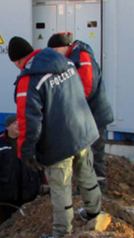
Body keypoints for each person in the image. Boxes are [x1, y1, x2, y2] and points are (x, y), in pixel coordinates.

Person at [7, 36, 102, 238]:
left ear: (16, 61)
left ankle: (61, 235)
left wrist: (27, 150)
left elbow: (28, 120)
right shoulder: (65, 62)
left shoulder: (28, 80)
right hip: (82, 131)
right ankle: (95, 214)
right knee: (87, 174)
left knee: (60, 187)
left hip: (58, 142)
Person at [47, 32, 114, 192]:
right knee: (85, 152)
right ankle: (88, 187)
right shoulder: (73, 56)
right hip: (87, 114)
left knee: (94, 152)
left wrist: (69, 106)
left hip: (93, 114)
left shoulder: (81, 56)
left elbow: (86, 86)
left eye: (56, 51)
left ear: (64, 47)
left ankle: (98, 188)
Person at [0, 114, 50, 211]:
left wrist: (44, 183)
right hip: (8, 193)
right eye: (15, 123)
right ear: (8, 127)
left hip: (29, 191)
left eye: (20, 123)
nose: (18, 125)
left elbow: (40, 163)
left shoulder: (30, 141)